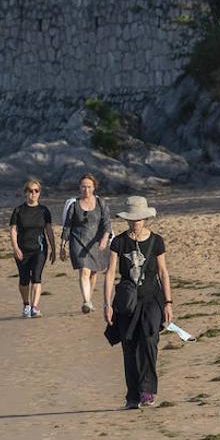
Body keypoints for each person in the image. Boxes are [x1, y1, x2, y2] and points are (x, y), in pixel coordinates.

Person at [104, 196, 173, 409]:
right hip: (127, 302)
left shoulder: (156, 241)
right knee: (129, 346)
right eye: (132, 219)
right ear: (127, 220)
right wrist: (107, 304)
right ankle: (132, 396)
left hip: (152, 299)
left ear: (145, 218)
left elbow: (163, 272)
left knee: (150, 342)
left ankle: (148, 391)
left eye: (139, 219)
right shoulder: (119, 242)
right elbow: (109, 274)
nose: (136, 223)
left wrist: (168, 302)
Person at [59, 173, 113, 314]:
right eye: (83, 187)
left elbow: (107, 224)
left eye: (89, 187)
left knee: (93, 273)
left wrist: (105, 239)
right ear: (79, 187)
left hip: (97, 242)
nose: (86, 190)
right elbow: (67, 226)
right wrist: (62, 245)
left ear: (94, 187)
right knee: (84, 270)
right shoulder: (74, 204)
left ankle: (88, 299)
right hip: (78, 241)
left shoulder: (101, 203)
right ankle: (86, 301)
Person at [8, 178, 56, 317]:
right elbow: (13, 230)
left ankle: (34, 307)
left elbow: (49, 230)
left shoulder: (44, 211)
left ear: (39, 193)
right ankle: (26, 304)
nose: (33, 193)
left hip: (39, 249)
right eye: (30, 191)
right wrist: (15, 247)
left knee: (36, 276)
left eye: (36, 191)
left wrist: (53, 248)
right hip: (22, 249)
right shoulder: (18, 210)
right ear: (25, 193)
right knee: (24, 279)